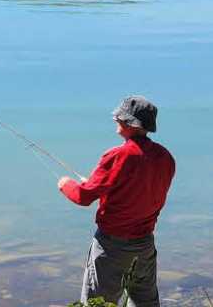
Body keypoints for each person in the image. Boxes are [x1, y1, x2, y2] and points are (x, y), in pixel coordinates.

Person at [56, 95, 176, 307]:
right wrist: (104, 189)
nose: (115, 121)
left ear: (129, 123)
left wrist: (65, 184)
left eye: (119, 118)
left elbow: (83, 197)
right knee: (145, 302)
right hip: (145, 244)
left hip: (112, 246)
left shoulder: (118, 156)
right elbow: (142, 194)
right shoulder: (165, 157)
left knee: (98, 303)